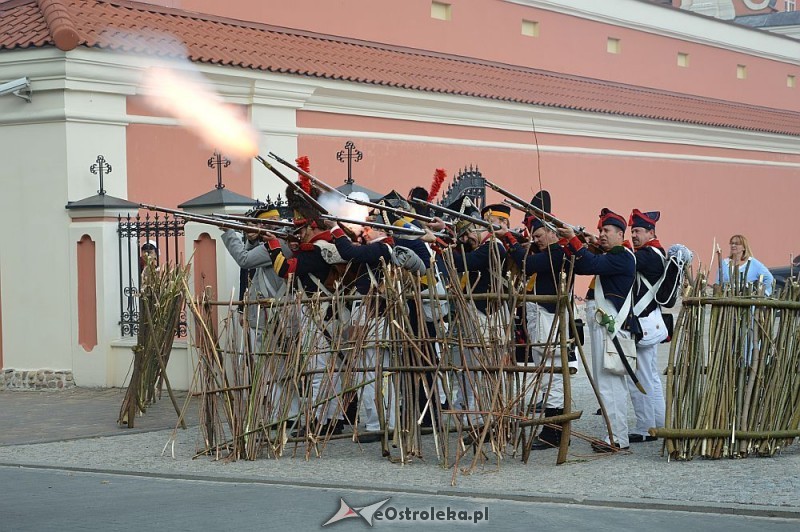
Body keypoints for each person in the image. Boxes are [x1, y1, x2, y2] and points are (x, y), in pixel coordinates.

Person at [558, 208, 636, 452]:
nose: (601, 234)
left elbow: (589, 264)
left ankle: (617, 438)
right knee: (609, 384)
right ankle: (614, 435)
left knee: (609, 384)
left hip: (609, 328)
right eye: (600, 230)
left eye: (606, 231)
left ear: (620, 234)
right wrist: (584, 243)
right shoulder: (616, 254)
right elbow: (585, 265)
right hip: (605, 327)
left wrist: (574, 239)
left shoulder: (622, 255)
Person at [500, 214, 575, 450]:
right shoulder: (548, 253)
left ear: (553, 233)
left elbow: (528, 265)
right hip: (540, 318)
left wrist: (511, 241)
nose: (537, 240)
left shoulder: (557, 253)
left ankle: (553, 434)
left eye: (540, 235)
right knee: (546, 376)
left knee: (551, 376)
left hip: (548, 319)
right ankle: (552, 431)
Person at [628, 209, 668, 443]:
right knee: (650, 376)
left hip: (642, 322)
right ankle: (658, 424)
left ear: (650, 232)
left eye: (638, 231)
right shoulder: (653, 252)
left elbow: (624, 256)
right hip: (648, 320)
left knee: (641, 378)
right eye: (632, 231)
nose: (634, 235)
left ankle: (645, 427)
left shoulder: (648, 254)